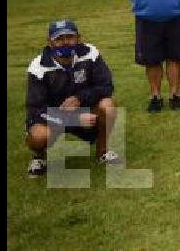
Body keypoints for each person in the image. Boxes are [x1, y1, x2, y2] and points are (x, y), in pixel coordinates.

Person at [25, 19, 123, 177]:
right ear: (50, 42)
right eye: (59, 39)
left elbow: (106, 86)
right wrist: (74, 119)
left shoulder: (91, 53)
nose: (65, 43)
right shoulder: (38, 67)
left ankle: (102, 152)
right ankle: (39, 157)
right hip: (53, 116)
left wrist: (79, 98)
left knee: (108, 105)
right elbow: (36, 110)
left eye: (69, 37)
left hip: (85, 111)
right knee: (38, 136)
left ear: (79, 38)